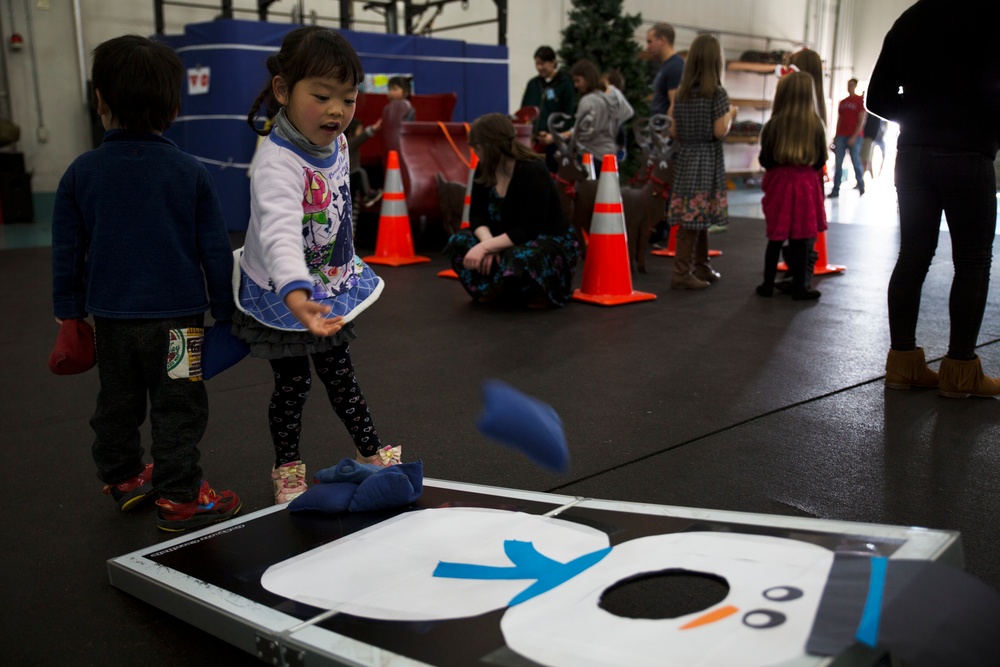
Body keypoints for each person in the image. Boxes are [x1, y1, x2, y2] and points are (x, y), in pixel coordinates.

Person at [50, 35, 241, 531]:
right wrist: (226, 311)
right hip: (182, 324)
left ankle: (124, 478)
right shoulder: (190, 172)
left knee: (117, 401)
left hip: (112, 320)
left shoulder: (80, 173)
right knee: (180, 405)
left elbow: (68, 250)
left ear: (100, 101)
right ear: (175, 107)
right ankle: (179, 497)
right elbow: (215, 251)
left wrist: (69, 310)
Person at [240, 26, 400, 505]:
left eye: (349, 99)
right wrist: (295, 294)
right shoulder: (276, 164)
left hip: (324, 284)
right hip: (283, 289)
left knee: (340, 372)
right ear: (283, 91)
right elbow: (281, 232)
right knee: (292, 384)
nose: (337, 111)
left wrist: (337, 269)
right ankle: (287, 468)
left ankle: (371, 452)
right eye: (323, 96)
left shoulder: (339, 143)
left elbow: (337, 205)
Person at [867, 0, 1000, 398]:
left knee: (913, 255)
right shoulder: (990, 17)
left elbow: (877, 97)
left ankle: (903, 365)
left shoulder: (911, 18)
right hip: (967, 154)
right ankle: (960, 373)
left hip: (913, 155)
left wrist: (923, 115)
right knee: (973, 261)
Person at [443, 113, 580, 308]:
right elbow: (477, 215)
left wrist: (486, 247)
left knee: (520, 255)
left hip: (546, 239)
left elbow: (529, 228)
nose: (473, 151)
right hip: (503, 237)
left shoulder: (532, 170)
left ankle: (538, 292)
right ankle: (496, 289)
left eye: (476, 146)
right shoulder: (484, 169)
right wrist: (487, 243)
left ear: (491, 146)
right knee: (458, 242)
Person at [665, 34, 738, 290]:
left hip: (686, 157)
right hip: (706, 159)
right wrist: (730, 114)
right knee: (694, 218)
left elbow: (672, 131)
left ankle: (701, 265)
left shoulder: (681, 94)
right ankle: (682, 272)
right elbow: (720, 131)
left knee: (696, 215)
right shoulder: (717, 94)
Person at [755, 71, 827, 301]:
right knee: (803, 236)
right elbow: (820, 160)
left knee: (776, 236)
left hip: (778, 183)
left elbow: (765, 159)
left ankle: (767, 284)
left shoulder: (773, 125)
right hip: (806, 184)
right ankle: (800, 286)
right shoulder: (816, 125)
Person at [538, 59, 633, 174]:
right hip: (610, 158)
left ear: (588, 78)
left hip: (589, 157)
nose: (576, 85)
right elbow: (628, 112)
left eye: (578, 81)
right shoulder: (611, 96)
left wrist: (554, 137)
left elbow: (579, 131)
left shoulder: (587, 101)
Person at [520, 46, 576, 172]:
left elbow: (567, 116)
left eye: (542, 63)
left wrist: (554, 136)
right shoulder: (533, 84)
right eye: (537, 63)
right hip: (534, 143)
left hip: (555, 144)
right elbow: (524, 112)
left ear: (553, 62)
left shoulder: (565, 84)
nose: (539, 67)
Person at [829, 78, 866, 197]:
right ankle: (836, 189)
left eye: (851, 85)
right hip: (841, 135)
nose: (849, 87)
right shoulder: (843, 102)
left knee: (856, 161)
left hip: (854, 136)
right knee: (838, 163)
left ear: (855, 86)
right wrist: (836, 136)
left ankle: (861, 186)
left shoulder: (860, 101)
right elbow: (839, 120)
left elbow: (861, 120)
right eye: (848, 85)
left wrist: (854, 136)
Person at [646, 22, 685, 117]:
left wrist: (667, 130)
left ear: (662, 40)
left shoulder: (675, 67)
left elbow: (675, 105)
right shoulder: (666, 65)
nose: (647, 47)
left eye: (650, 42)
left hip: (664, 128)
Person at [346, 117, 382, 208]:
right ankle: (368, 194)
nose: (361, 132)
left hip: (352, 180)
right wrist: (374, 128)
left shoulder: (351, 146)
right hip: (349, 176)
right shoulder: (348, 144)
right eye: (359, 130)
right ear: (351, 131)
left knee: (354, 206)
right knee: (360, 172)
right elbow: (361, 138)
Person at [861, 112, 887, 179]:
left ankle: (875, 176)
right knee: (867, 158)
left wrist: (872, 137)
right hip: (870, 136)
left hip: (874, 137)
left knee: (868, 158)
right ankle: (870, 176)